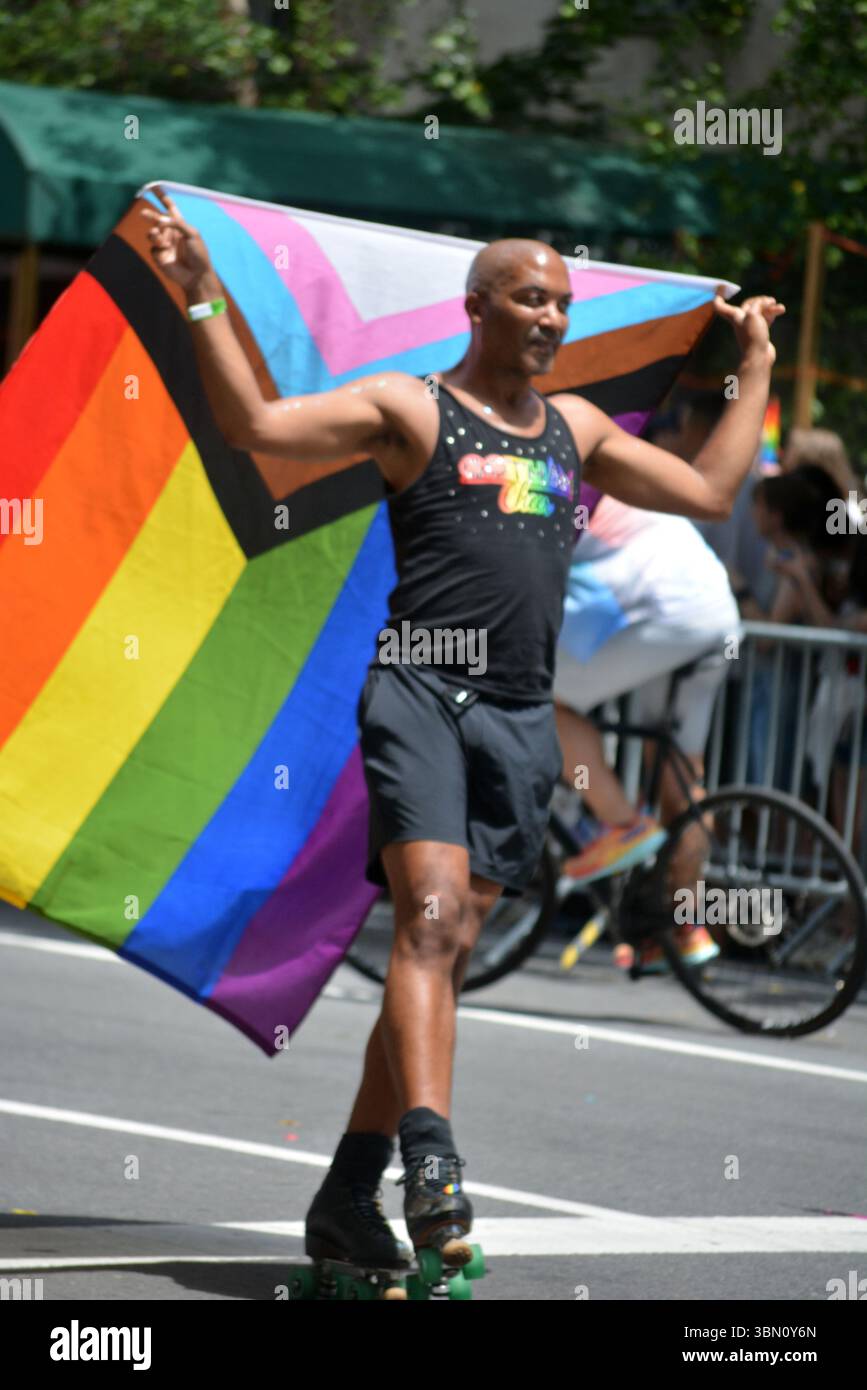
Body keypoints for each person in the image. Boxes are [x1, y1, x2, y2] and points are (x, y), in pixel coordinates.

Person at [143, 186, 783, 1272]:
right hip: (421, 698)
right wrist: (204, 296)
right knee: (430, 930)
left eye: (562, 305)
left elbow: (715, 489)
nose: (549, 319)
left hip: (522, 721)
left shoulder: (578, 430)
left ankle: (348, 1194)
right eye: (529, 299)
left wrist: (754, 358)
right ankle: (431, 1161)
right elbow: (258, 429)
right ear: (478, 306)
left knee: (447, 950)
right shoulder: (410, 409)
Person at [552, 411, 742, 973]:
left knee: (530, 691)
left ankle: (619, 821)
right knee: (682, 773)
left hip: (667, 616)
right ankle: (682, 924)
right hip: (713, 616)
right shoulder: (613, 461)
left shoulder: (554, 480)